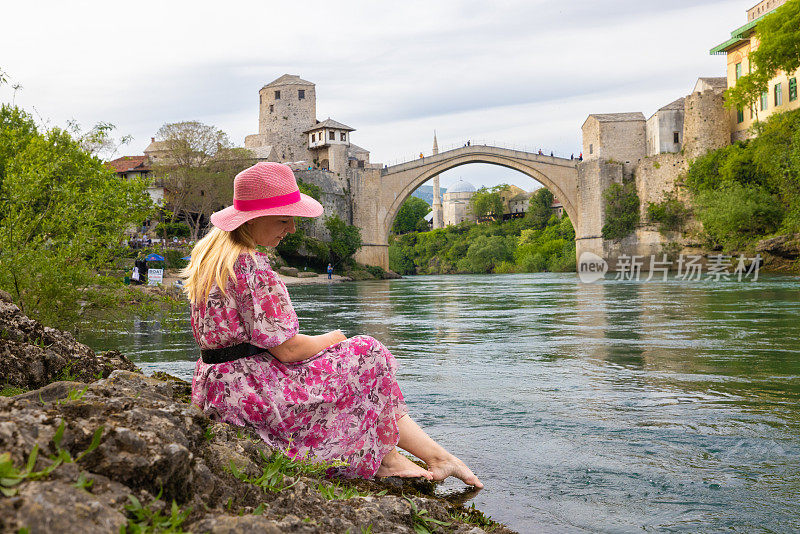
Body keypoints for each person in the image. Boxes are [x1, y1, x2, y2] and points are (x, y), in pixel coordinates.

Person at [182, 162, 482, 487]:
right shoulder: (251, 265)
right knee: (367, 353)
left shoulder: (211, 257)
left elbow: (254, 343)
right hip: (254, 395)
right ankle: (408, 458)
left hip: (219, 390)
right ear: (253, 219)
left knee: (348, 362)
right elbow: (289, 350)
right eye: (284, 219)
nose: (292, 228)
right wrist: (334, 338)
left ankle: (412, 457)